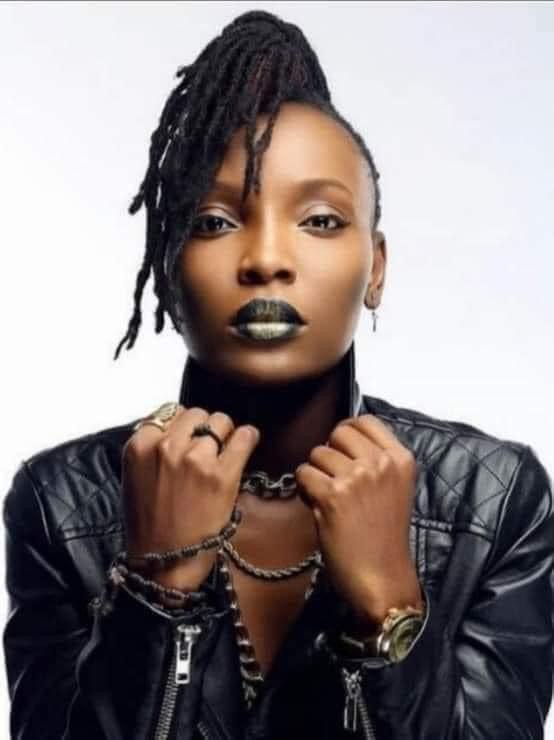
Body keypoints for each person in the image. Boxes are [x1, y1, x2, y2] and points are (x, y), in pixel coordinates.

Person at [2, 9, 553, 740]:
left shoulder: (494, 499)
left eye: (320, 220)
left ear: (376, 268)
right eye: (213, 222)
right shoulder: (62, 503)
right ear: (166, 268)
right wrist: (156, 590)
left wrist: (390, 605)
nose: (266, 259)